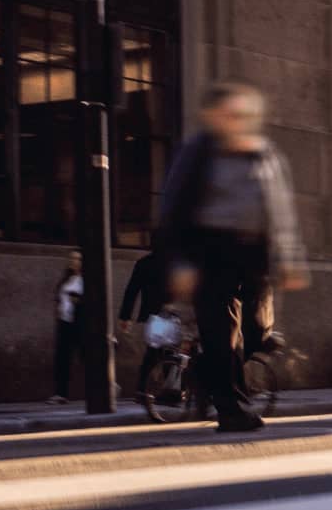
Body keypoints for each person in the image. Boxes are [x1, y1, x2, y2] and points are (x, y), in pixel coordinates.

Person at [154, 83, 309, 434]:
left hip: (255, 255)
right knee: (222, 335)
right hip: (210, 253)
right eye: (231, 114)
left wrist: (289, 256)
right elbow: (173, 208)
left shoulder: (264, 153)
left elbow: (280, 208)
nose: (239, 121)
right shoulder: (197, 152)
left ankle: (207, 373)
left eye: (245, 115)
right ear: (212, 116)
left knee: (257, 332)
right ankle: (232, 410)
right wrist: (180, 262)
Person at [117, 250, 172, 390]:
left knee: (158, 352)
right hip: (168, 315)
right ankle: (160, 388)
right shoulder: (173, 262)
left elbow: (131, 290)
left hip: (153, 315)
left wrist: (125, 316)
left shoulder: (145, 263)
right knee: (163, 353)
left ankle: (147, 387)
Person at [48, 251, 85, 404]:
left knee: (87, 358)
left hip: (79, 323)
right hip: (64, 322)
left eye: (77, 259)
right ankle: (61, 393)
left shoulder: (86, 280)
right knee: (62, 358)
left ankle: (107, 385)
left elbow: (92, 300)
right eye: (71, 258)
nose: (73, 261)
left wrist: (79, 300)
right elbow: (60, 298)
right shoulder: (67, 279)